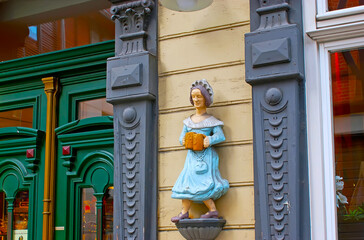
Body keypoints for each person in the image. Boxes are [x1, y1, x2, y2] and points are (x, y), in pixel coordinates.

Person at [171, 79, 229, 223]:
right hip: (191, 157)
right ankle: (184, 212)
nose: (196, 99)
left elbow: (220, 136)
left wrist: (209, 140)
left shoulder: (211, 120)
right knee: (186, 183)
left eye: (199, 96)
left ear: (205, 98)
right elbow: (181, 138)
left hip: (205, 157)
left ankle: (213, 211)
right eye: (194, 97)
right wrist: (184, 141)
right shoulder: (188, 121)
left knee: (203, 184)